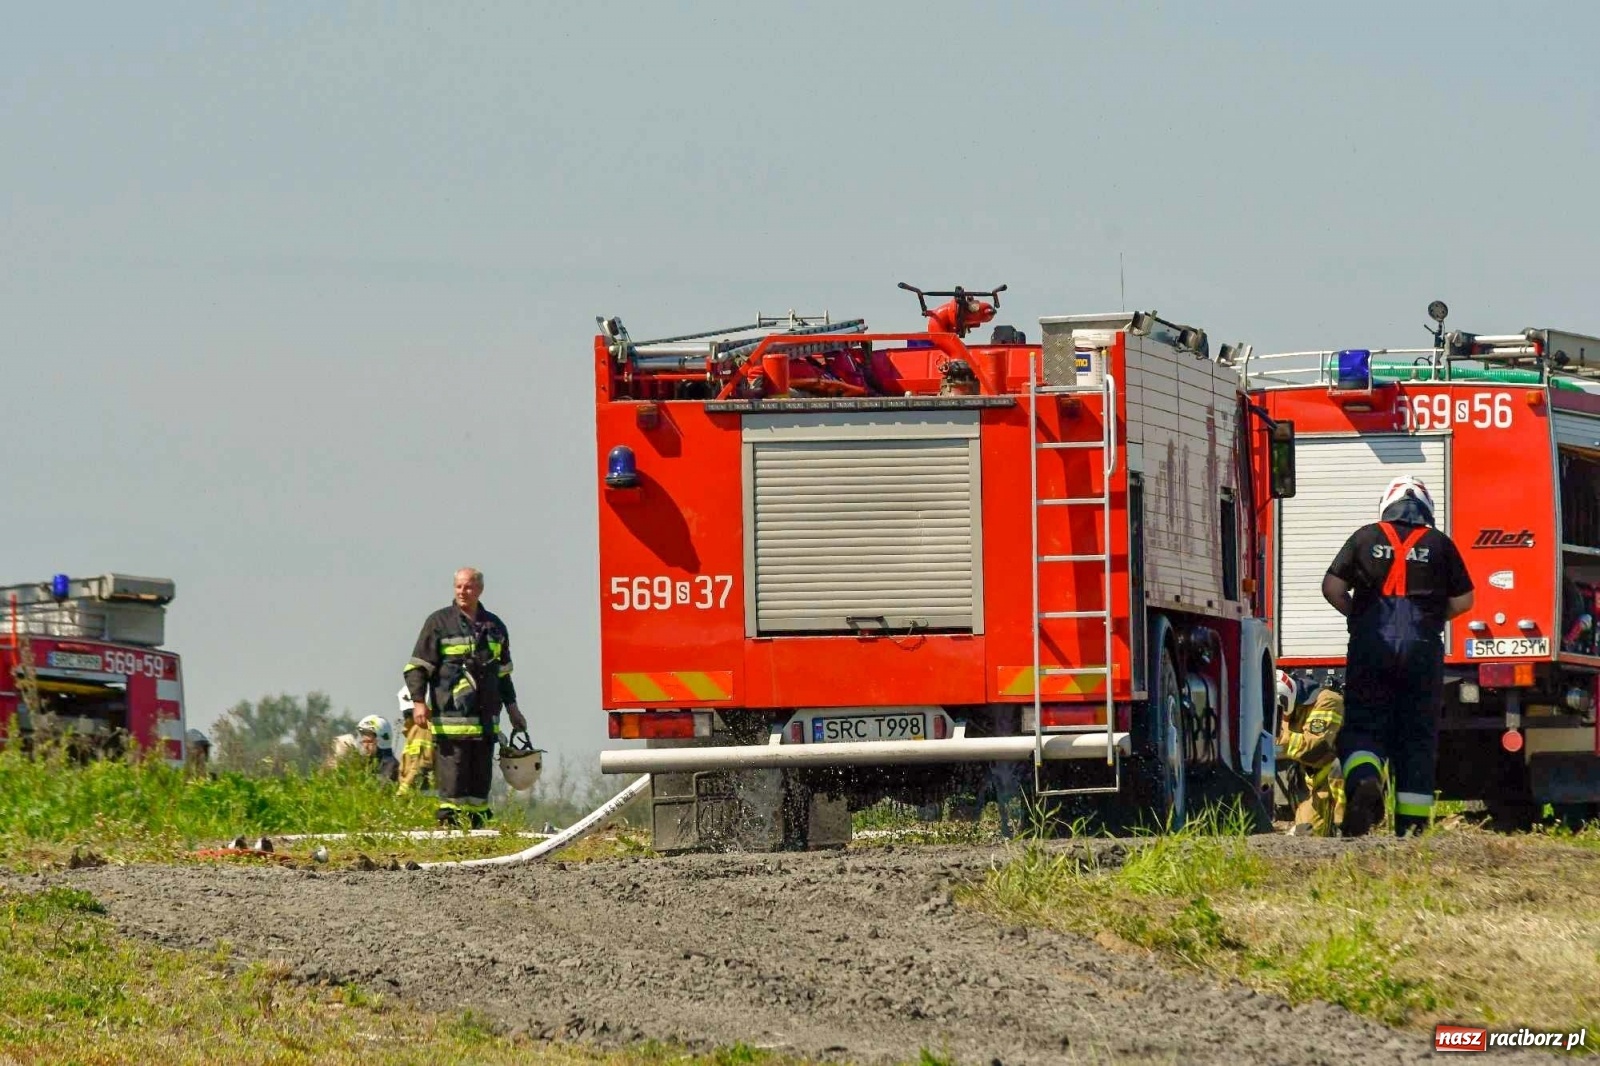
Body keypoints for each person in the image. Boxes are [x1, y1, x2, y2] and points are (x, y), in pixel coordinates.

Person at [1321, 475, 1474, 837]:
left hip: (1371, 646)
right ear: (1426, 509)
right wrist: (1432, 619)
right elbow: (1465, 601)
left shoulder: (1365, 537)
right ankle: (1412, 829)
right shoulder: (1441, 544)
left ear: (1386, 505)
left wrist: (1358, 617)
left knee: (1363, 726)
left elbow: (1332, 587)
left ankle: (1364, 779)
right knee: (1416, 738)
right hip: (1422, 650)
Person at [402, 567, 526, 828]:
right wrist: (418, 702)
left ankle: (477, 829)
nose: (462, 591)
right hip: (451, 723)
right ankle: (450, 829)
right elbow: (417, 668)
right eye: (458, 586)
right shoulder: (438, 623)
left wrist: (513, 709)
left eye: (468, 587)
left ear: (479, 589)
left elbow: (503, 676)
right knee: (453, 785)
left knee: (480, 786)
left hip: (485, 722)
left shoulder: (495, 627)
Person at [1275, 670, 1346, 836]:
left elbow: (1315, 747)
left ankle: (1348, 826)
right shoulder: (1289, 709)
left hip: (1339, 777)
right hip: (1316, 781)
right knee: (1305, 835)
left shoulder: (1327, 701)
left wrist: (1274, 741)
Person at [396, 685, 436, 794]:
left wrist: (403, 790)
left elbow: (418, 765)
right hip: (414, 791)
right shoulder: (414, 730)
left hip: (418, 793)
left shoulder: (421, 729)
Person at [357, 714, 400, 783]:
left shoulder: (391, 766)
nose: (365, 746)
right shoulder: (365, 763)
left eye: (369, 742)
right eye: (363, 742)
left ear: (381, 741)